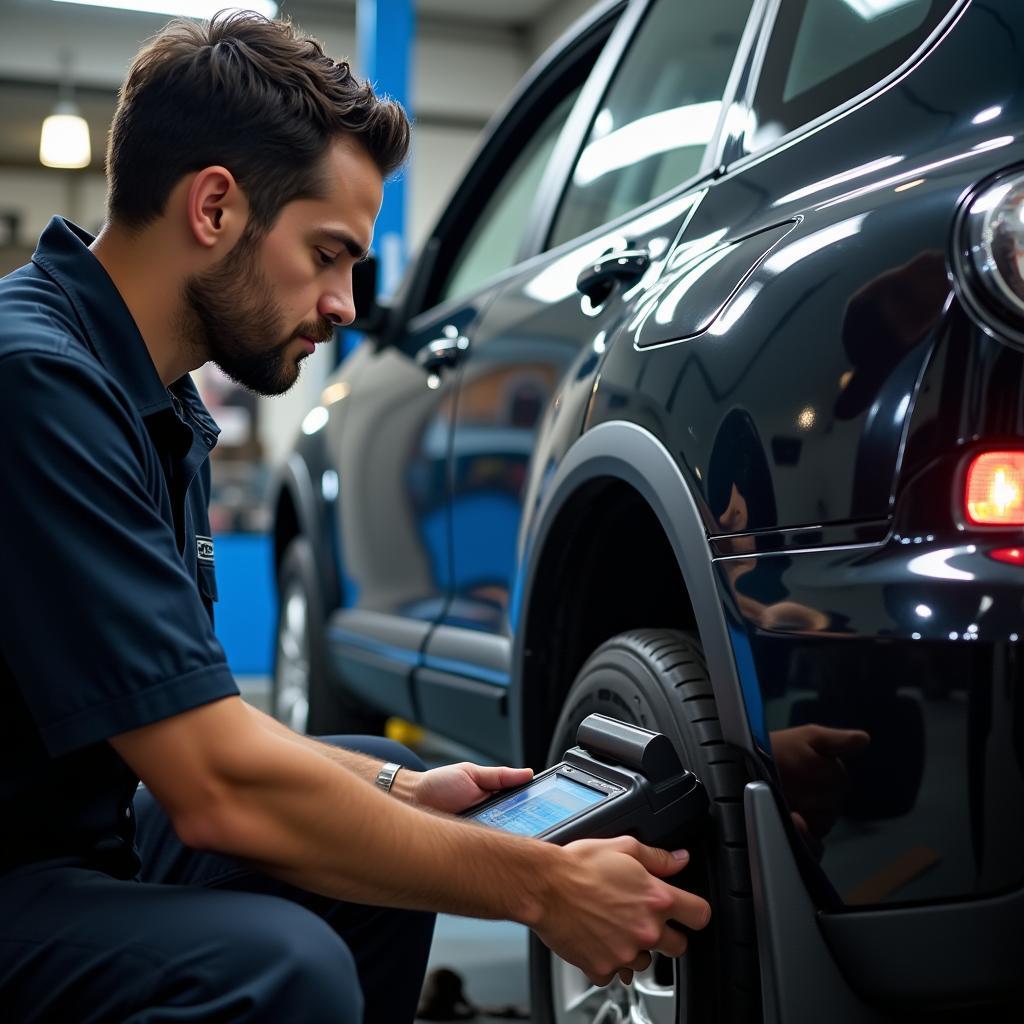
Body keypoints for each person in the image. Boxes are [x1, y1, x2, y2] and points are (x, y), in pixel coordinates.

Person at [0, 12, 710, 1023]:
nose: (343, 304)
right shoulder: (37, 385)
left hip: (72, 836)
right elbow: (214, 786)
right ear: (213, 207)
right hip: (25, 866)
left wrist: (394, 787)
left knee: (386, 817)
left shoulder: (157, 406)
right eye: (328, 254)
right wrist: (538, 886)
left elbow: (192, 713)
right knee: (282, 965)